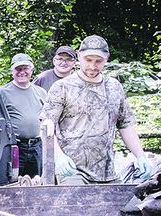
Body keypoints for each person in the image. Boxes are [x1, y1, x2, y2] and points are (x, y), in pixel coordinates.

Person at [40, 35, 152, 183]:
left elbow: (125, 124)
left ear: (107, 58)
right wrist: (58, 156)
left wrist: (140, 155)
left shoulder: (114, 87)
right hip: (72, 171)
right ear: (79, 55)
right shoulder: (62, 87)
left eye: (98, 61)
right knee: (77, 204)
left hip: (108, 173)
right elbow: (45, 126)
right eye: (88, 60)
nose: (93, 66)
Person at [0, 53, 48, 177]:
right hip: (15, 147)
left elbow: (47, 118)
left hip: (37, 146)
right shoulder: (3, 92)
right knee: (13, 184)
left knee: (37, 183)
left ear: (32, 70)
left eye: (25, 68)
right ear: (12, 71)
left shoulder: (41, 92)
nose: (22, 72)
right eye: (18, 69)